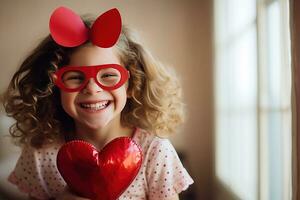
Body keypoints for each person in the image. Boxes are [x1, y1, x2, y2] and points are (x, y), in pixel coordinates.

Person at [2, 6, 194, 200]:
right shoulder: (40, 154)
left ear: (132, 85)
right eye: (76, 77)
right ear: (54, 87)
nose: (93, 88)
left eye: (109, 75)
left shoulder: (155, 152)